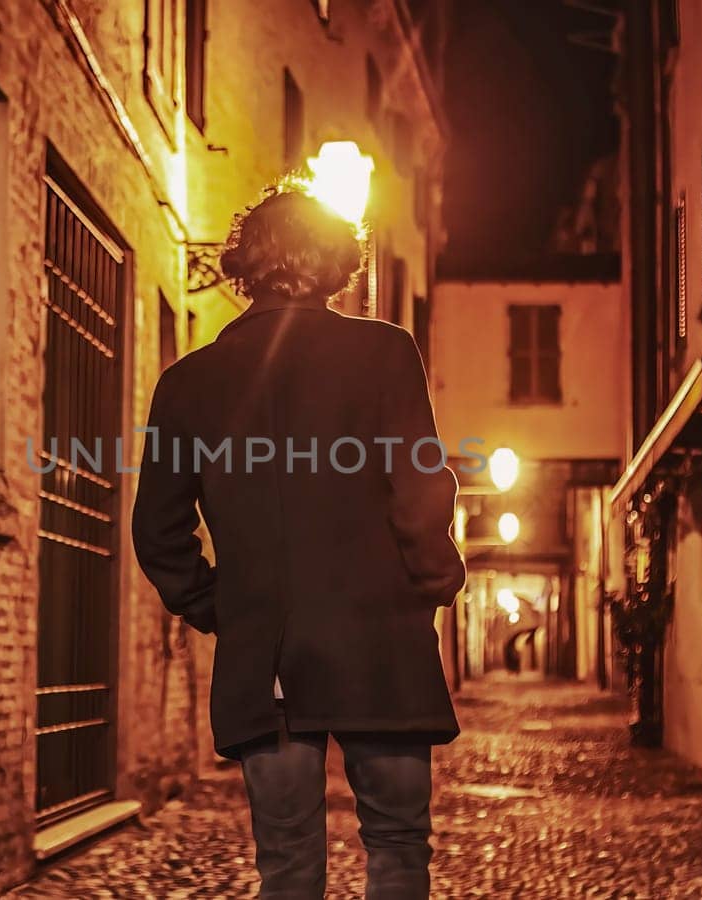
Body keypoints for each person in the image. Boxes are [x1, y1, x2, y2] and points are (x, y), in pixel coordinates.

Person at [132, 184, 465, 899]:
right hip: (382, 640)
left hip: (267, 653)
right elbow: (422, 486)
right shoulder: (386, 353)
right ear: (338, 263)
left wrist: (223, 607)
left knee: (286, 863)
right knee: (400, 846)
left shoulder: (189, 382)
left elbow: (157, 529)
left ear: (244, 267)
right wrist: (433, 582)